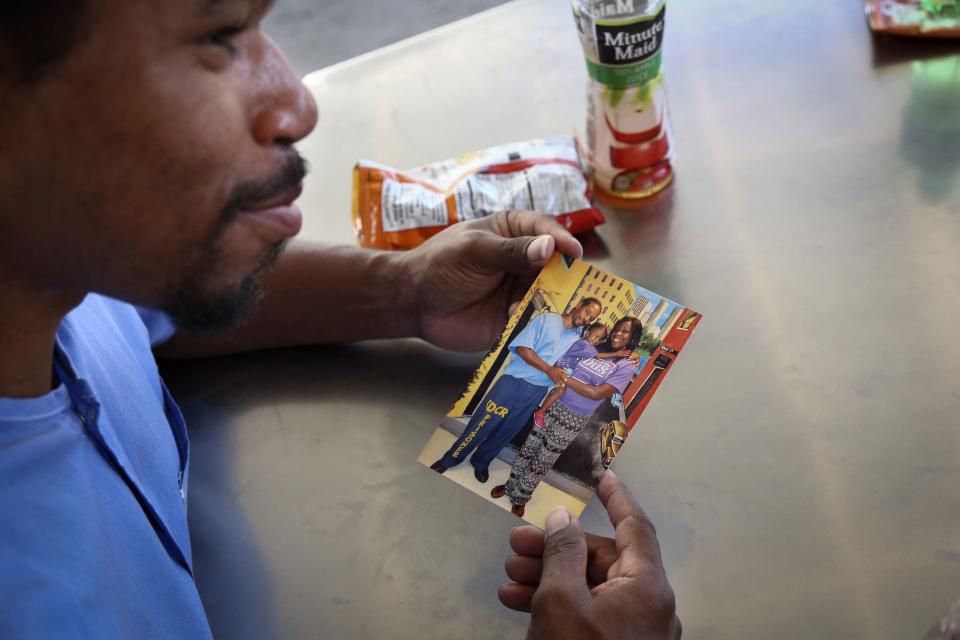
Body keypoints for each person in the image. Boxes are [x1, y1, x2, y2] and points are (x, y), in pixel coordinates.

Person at [0, 1, 679, 638]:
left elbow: (141, 312)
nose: (299, 103)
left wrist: (400, 289)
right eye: (218, 38)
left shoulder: (67, 268)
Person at [430, 297, 602, 482]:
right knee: (482, 422)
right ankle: (451, 458)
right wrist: (548, 369)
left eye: (592, 318)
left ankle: (481, 462)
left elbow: (570, 365)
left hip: (536, 391)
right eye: (587, 312)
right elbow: (522, 348)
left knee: (507, 431)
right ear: (578, 305)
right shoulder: (547, 320)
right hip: (512, 382)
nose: (587, 319)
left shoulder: (576, 341)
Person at [492, 317, 643, 517]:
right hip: (554, 403)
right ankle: (511, 484)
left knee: (544, 458)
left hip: (575, 416)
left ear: (633, 338)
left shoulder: (626, 365)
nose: (618, 333)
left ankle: (521, 496)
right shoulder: (596, 348)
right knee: (529, 447)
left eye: (625, 332)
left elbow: (597, 393)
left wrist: (565, 379)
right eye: (617, 329)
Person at [534, 321, 636, 428]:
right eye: (595, 336)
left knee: (559, 390)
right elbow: (597, 356)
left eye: (599, 339)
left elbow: (597, 394)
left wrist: (633, 354)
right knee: (560, 390)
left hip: (575, 411)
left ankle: (541, 410)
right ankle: (541, 411)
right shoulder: (584, 345)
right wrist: (617, 354)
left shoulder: (625, 364)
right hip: (565, 368)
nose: (596, 341)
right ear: (587, 333)